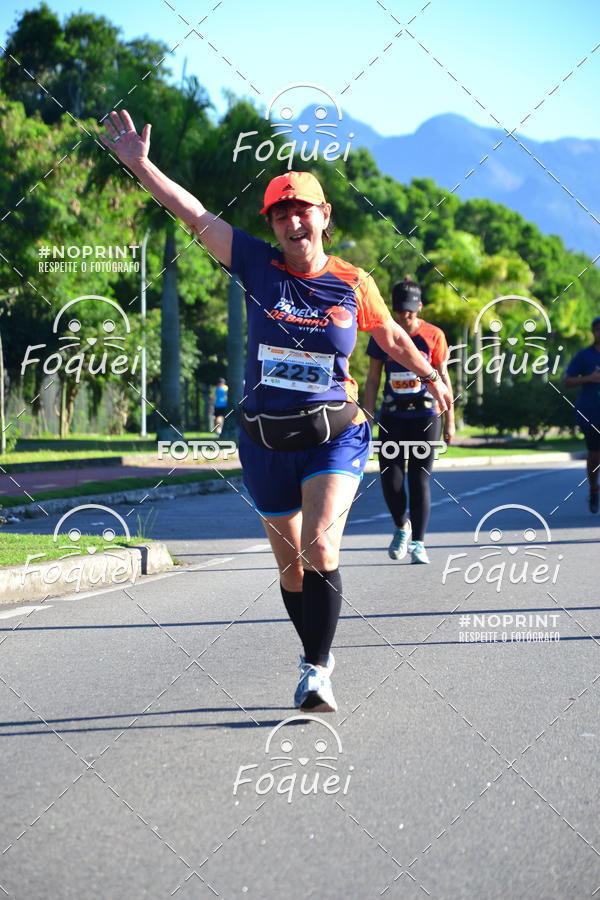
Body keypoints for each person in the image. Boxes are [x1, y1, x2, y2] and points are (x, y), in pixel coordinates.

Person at [100, 110, 451, 712]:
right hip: (264, 440)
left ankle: (317, 669)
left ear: (324, 218)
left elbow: (392, 338)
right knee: (291, 566)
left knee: (320, 546)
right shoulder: (257, 264)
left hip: (333, 435)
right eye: (280, 212)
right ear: (273, 223)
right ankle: (313, 651)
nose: (292, 219)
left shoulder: (353, 282)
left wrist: (431, 374)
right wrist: (140, 164)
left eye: (303, 209)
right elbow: (193, 213)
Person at [363, 277, 455, 563]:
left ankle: (418, 542)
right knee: (390, 479)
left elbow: (444, 377)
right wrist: (367, 417)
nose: (405, 316)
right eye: (401, 311)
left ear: (420, 307)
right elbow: (374, 377)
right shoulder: (381, 334)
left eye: (411, 311)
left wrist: (449, 419)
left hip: (426, 417)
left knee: (419, 479)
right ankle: (402, 526)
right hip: (393, 415)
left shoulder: (434, 335)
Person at [564, 316, 600, 513]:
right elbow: (567, 381)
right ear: (593, 332)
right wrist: (590, 378)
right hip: (591, 413)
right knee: (595, 456)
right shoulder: (584, 356)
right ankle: (594, 489)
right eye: (598, 329)